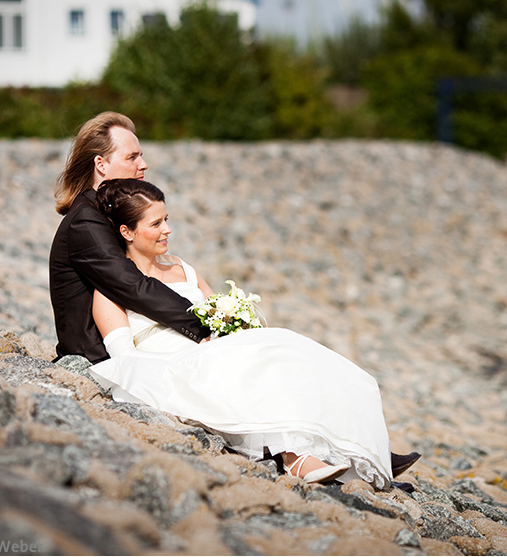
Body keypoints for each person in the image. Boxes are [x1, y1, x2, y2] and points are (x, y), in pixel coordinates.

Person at [87, 178, 398, 488]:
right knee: (247, 370)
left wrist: (234, 325)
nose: (167, 229)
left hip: (216, 348)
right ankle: (295, 458)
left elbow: (216, 308)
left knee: (288, 348)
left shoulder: (183, 268)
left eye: (166, 219)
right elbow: (124, 357)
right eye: (155, 223)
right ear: (126, 232)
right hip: (173, 362)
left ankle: (361, 447)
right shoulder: (109, 292)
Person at [49, 112, 209, 364]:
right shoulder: (85, 222)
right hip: (97, 355)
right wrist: (204, 326)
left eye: (141, 155)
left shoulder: (108, 211)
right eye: (132, 157)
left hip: (134, 336)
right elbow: (134, 286)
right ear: (101, 164)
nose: (143, 164)